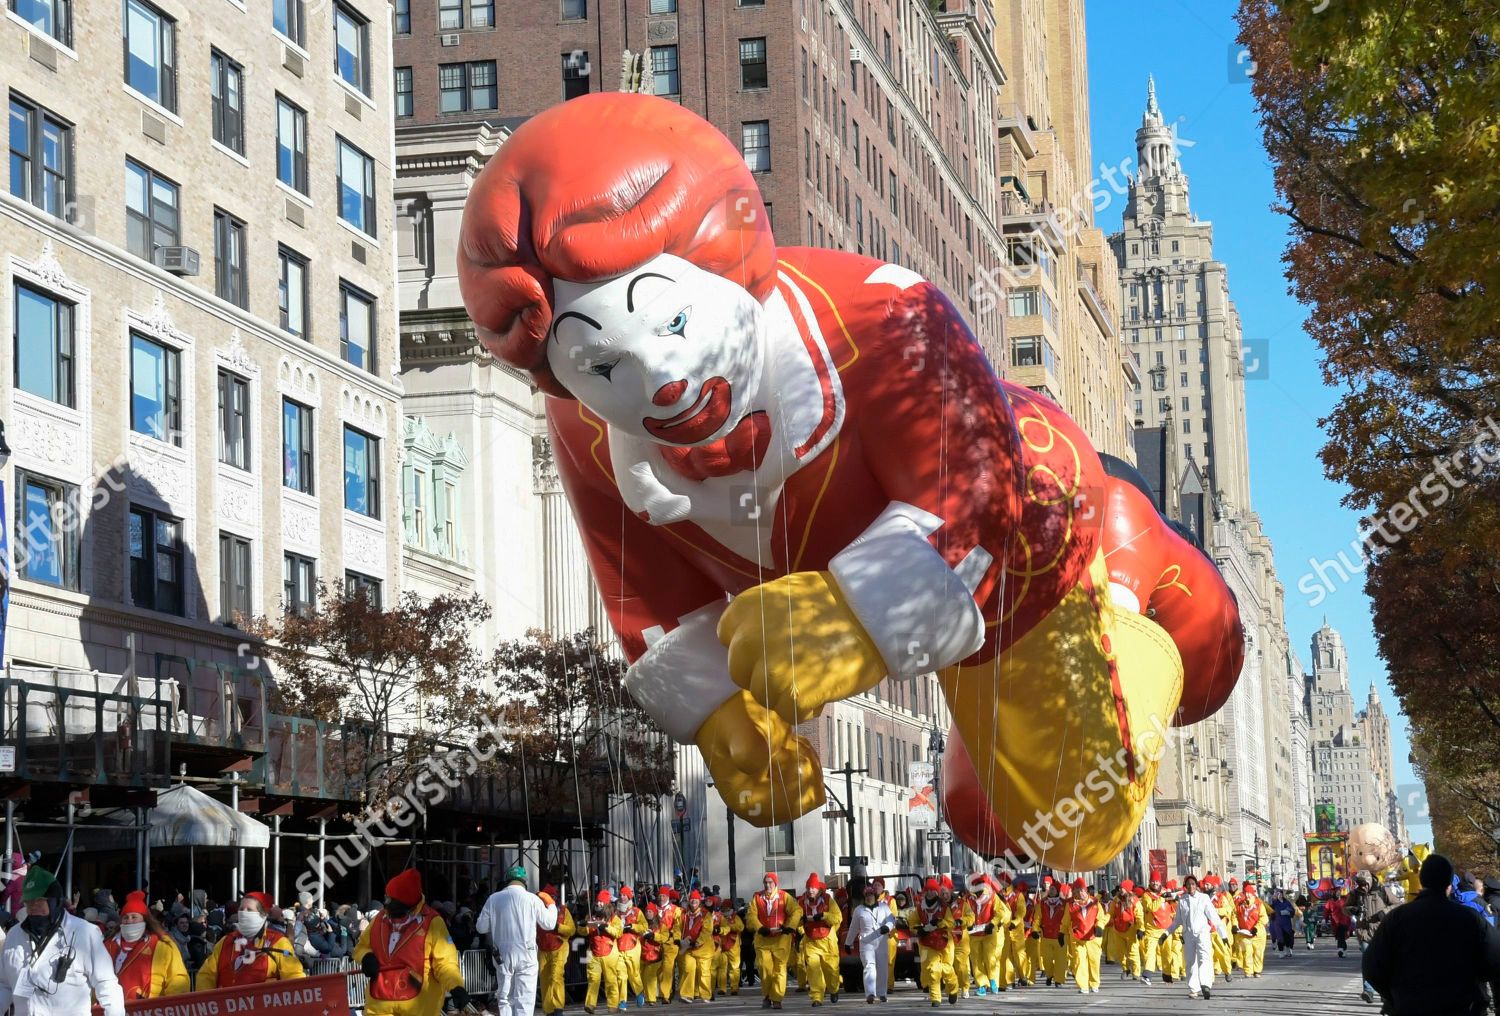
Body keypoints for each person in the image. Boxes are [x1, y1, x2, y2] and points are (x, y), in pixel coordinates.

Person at [1363, 853, 1500, 1016]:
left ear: (1421, 880)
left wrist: (1393, 997)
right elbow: (1494, 958)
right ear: (1449, 884)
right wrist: (1476, 983)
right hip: (1461, 1006)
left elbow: (1372, 965)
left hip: (1410, 1006)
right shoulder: (1470, 918)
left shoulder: (1397, 918)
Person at [0, 865, 126, 1016]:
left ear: (54, 900)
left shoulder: (84, 933)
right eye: (28, 901)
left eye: (39, 900)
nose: (33, 906)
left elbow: (106, 984)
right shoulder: (14, 935)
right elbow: (4, 984)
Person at [354, 869, 466, 1016]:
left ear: (404, 902)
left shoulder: (432, 922)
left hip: (418, 1005)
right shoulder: (379, 920)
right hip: (380, 1002)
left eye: (390, 899)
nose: (386, 903)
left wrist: (456, 986)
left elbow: (445, 963)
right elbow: (361, 946)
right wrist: (366, 957)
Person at [477, 866, 559, 1016]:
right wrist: (551, 905)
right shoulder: (532, 899)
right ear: (524, 882)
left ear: (507, 881)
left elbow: (481, 927)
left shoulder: (493, 898)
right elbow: (549, 924)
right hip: (527, 953)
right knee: (525, 999)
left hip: (502, 954)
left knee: (505, 998)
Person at [198, 891, 305, 989]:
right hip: (226, 1007)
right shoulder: (226, 941)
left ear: (262, 915)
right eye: (241, 909)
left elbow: (294, 976)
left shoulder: (278, 942)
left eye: (249, 910)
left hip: (264, 1008)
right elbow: (206, 975)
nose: (244, 913)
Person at [105, 891, 190, 1000]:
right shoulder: (108, 945)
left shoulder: (162, 945)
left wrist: (168, 1007)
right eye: (125, 917)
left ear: (144, 919)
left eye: (134, 916)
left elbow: (177, 980)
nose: (129, 921)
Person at [1163, 874, 1229, 1001]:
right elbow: (1177, 921)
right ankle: (1194, 989)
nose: (1191, 886)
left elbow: (1214, 917)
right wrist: (1166, 933)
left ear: (1196, 886)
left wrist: (1223, 934)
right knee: (1190, 962)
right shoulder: (1182, 901)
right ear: (1185, 887)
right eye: (1188, 884)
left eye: (1193, 884)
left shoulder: (1204, 898)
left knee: (1204, 959)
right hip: (1188, 935)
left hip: (1202, 934)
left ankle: (1205, 985)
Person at [746, 873, 803, 1010]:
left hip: (781, 939)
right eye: (766, 882)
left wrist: (789, 927)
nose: (768, 885)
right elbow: (751, 915)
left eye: (770, 882)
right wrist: (759, 928)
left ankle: (776, 998)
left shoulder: (785, 897)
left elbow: (797, 911)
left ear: (775, 883)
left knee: (780, 970)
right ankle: (766, 995)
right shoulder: (757, 898)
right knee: (764, 968)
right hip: (763, 940)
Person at [909, 878, 958, 1007]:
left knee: (947, 969)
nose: (930, 892)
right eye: (928, 890)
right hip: (928, 942)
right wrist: (918, 930)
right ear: (925, 891)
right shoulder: (920, 908)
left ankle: (953, 989)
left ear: (937, 892)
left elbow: (951, 923)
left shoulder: (944, 907)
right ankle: (936, 998)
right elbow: (912, 922)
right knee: (933, 969)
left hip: (945, 942)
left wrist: (940, 923)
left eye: (933, 890)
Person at [798, 873, 841, 1006]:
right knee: (813, 969)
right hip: (811, 940)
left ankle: (834, 989)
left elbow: (838, 918)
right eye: (809, 887)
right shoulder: (801, 902)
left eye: (813, 888)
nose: (811, 890)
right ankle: (817, 997)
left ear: (819, 889)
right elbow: (795, 919)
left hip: (828, 940)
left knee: (831, 970)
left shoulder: (828, 900)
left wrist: (824, 916)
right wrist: (801, 922)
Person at [582, 891, 626, 1014]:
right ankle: (590, 1004)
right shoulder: (591, 915)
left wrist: (605, 927)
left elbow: (618, 932)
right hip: (593, 951)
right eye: (598, 901)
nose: (599, 903)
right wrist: (584, 925)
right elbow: (583, 931)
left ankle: (613, 1005)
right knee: (593, 979)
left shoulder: (614, 918)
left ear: (606, 903)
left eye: (601, 901)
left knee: (611, 980)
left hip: (609, 952)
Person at [538, 884, 576, 1016]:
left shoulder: (564, 911)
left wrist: (557, 927)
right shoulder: (537, 911)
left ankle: (558, 1008)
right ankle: (548, 1010)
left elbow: (571, 929)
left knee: (556, 977)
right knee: (544, 979)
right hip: (543, 949)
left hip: (559, 948)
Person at [1062, 879, 1105, 995]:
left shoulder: (1095, 902)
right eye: (1076, 891)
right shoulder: (1070, 905)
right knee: (1079, 961)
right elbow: (1066, 920)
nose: (1079, 893)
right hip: (1077, 937)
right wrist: (1062, 933)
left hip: (1093, 938)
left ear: (1086, 890)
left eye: (1081, 890)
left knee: (1094, 962)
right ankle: (1083, 985)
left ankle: (1094, 983)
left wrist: (1100, 927)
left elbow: (1101, 917)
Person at [964, 875, 1000, 995]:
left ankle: (993, 980)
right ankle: (982, 985)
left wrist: (993, 924)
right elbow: (964, 913)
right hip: (974, 934)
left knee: (990, 958)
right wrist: (968, 923)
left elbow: (999, 913)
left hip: (988, 933)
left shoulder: (992, 896)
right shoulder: (968, 899)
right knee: (976, 960)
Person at [676, 891, 713, 1003]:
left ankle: (705, 995)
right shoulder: (684, 914)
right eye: (691, 899)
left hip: (704, 949)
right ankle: (686, 994)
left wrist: (697, 942)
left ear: (699, 901)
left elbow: (707, 931)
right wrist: (678, 939)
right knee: (688, 969)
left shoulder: (706, 914)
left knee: (704, 972)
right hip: (688, 948)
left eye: (696, 899)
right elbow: (677, 927)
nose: (693, 901)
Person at [616, 887, 648, 1008]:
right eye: (621, 895)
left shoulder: (636, 911)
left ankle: (639, 993)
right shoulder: (616, 913)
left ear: (629, 897)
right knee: (621, 976)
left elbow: (644, 926)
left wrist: (632, 926)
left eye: (625, 895)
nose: (622, 897)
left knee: (634, 973)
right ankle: (622, 1001)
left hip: (633, 945)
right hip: (618, 947)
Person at [1034, 880, 1068, 988]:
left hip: (1060, 936)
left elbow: (1068, 919)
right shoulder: (1043, 902)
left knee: (1060, 960)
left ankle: (1059, 980)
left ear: (1058, 890)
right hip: (1046, 935)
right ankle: (1049, 975)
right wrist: (1035, 929)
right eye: (1051, 889)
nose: (1051, 891)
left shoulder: (1064, 903)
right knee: (1046, 959)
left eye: (1054, 889)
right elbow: (1037, 917)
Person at [653, 887, 683, 1004]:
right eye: (660, 896)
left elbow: (678, 926)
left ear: (668, 897)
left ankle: (665, 994)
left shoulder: (675, 909)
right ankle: (663, 991)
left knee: (667, 968)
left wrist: (676, 938)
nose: (661, 898)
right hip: (655, 942)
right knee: (658, 969)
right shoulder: (653, 908)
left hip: (670, 943)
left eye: (664, 896)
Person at [1231, 880, 1265, 977]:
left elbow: (1264, 918)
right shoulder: (1240, 905)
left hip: (1257, 933)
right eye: (1245, 893)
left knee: (1258, 952)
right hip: (1245, 933)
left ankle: (1257, 970)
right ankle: (1248, 971)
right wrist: (1234, 925)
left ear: (1253, 895)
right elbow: (1235, 916)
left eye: (1249, 893)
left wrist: (1256, 928)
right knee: (1247, 951)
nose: (1247, 896)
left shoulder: (1259, 904)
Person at [714, 896, 743, 997]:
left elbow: (741, 927)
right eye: (723, 909)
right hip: (721, 946)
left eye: (726, 909)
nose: (724, 911)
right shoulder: (719, 917)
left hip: (734, 946)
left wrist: (730, 927)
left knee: (734, 968)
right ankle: (722, 988)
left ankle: (734, 987)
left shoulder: (736, 917)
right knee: (722, 968)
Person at [1269, 889, 1297, 955]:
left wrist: (1288, 912)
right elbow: (1270, 910)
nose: (1279, 895)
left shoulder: (1287, 902)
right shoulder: (1274, 902)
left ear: (1282, 894)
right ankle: (1281, 951)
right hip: (1278, 922)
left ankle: (1288, 949)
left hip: (1286, 922)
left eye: (1280, 894)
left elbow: (1292, 910)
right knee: (1280, 937)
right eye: (1277, 894)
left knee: (1287, 936)